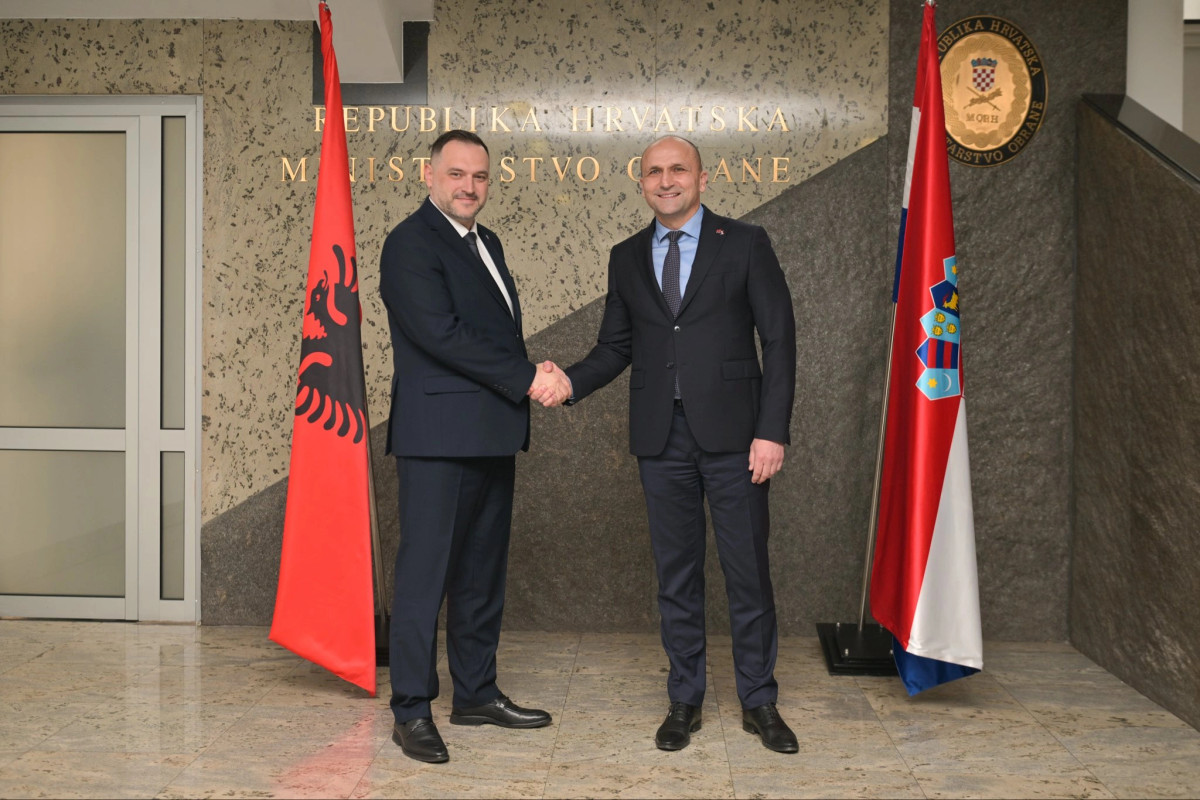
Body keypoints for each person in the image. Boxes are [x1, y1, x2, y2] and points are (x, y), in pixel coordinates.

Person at [550, 134, 799, 753]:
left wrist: (772, 430)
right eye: (654, 172)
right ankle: (685, 698)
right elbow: (616, 346)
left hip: (738, 438)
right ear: (641, 184)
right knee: (676, 575)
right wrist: (569, 382)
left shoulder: (745, 243)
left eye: (678, 170)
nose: (666, 181)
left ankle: (759, 700)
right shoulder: (626, 256)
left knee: (747, 572)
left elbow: (780, 339)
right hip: (661, 439)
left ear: (702, 178)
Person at [379, 129, 570, 763]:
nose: (469, 186)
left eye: (480, 176)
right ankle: (411, 709)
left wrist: (523, 380)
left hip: (490, 431)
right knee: (425, 577)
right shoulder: (409, 243)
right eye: (457, 174)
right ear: (429, 176)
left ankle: (476, 693)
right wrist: (529, 378)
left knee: (481, 575)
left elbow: (491, 331)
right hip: (437, 438)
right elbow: (440, 333)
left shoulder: (487, 242)